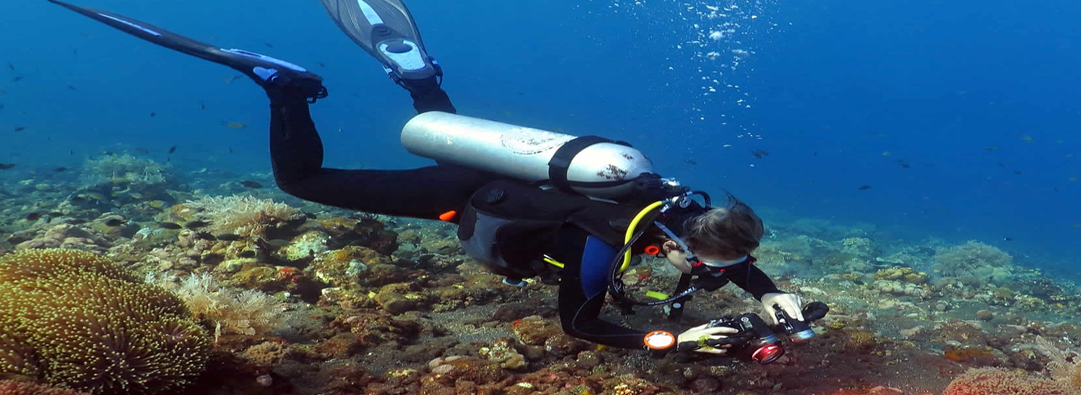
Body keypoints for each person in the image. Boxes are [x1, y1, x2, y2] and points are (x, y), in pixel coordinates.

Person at [50, 0, 810, 357]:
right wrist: (675, 336)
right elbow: (578, 322)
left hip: (490, 164)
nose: (717, 274)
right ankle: (286, 90)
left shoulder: (669, 199)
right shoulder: (603, 234)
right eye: (712, 267)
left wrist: (766, 290)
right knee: (304, 184)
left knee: (455, 145)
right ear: (687, 245)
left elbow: (731, 258)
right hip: (463, 196)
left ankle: (417, 75)